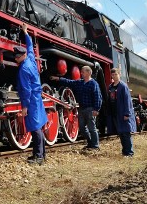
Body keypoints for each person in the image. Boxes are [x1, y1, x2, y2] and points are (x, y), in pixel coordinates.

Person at [14, 22, 48, 165]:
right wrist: (26, 33)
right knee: (38, 126)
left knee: (35, 128)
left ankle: (39, 157)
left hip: (31, 100)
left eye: (16, 57)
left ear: (21, 56)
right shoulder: (31, 59)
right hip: (37, 97)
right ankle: (40, 154)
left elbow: (26, 90)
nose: (15, 59)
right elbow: (30, 48)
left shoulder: (23, 70)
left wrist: (25, 107)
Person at [50, 65, 102, 150]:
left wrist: (96, 109)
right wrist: (58, 78)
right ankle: (90, 143)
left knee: (92, 127)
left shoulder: (93, 84)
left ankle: (95, 146)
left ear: (89, 73)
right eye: (81, 72)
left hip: (90, 108)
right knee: (82, 127)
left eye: (83, 72)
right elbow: (70, 82)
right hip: (81, 108)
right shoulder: (80, 82)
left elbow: (98, 97)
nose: (81, 73)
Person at [107, 68, 136, 157]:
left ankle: (129, 153)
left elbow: (127, 101)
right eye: (112, 75)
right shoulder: (110, 87)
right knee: (121, 133)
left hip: (122, 113)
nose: (114, 76)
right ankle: (124, 152)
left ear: (119, 74)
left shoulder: (123, 86)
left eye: (115, 74)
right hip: (115, 113)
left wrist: (127, 113)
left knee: (126, 133)